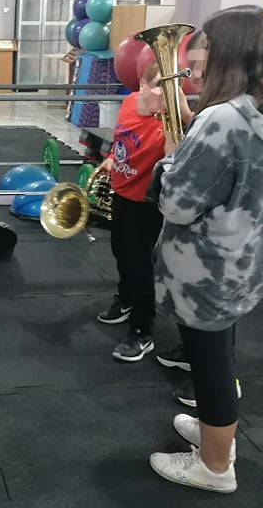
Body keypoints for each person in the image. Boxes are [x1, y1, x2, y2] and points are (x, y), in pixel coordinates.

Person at [146, 5, 263, 494]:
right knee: (220, 353)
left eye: (204, 48)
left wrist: (168, 163)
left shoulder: (222, 118)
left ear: (227, 53)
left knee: (211, 366)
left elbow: (177, 203)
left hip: (206, 268)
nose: (195, 59)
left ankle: (215, 467)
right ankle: (216, 432)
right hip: (247, 259)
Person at [95, 61, 191, 364]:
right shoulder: (129, 103)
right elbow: (120, 140)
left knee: (141, 267)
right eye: (160, 86)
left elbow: (174, 166)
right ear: (142, 86)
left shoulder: (169, 126)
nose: (165, 95)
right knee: (120, 252)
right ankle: (125, 299)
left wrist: (184, 118)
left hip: (146, 204)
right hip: (121, 195)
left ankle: (142, 330)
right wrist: (112, 158)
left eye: (172, 89)